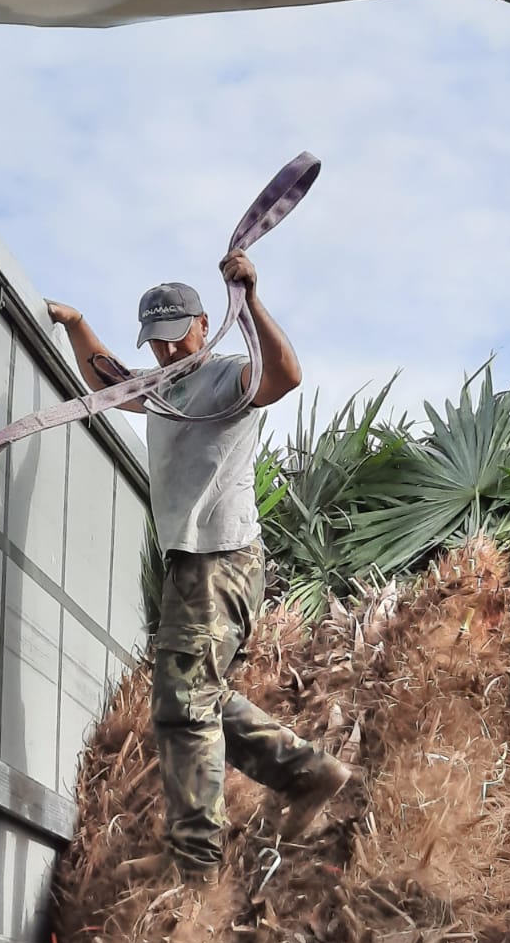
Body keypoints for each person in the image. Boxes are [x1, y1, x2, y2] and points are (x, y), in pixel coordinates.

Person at [47, 249, 350, 888]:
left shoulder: (226, 376)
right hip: (192, 564)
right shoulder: (160, 388)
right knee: (188, 697)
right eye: (153, 343)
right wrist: (76, 323)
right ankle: (308, 772)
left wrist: (254, 297)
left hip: (224, 557)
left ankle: (197, 864)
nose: (162, 352)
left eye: (172, 337)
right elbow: (107, 380)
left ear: (203, 325)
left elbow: (286, 377)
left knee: (184, 703)